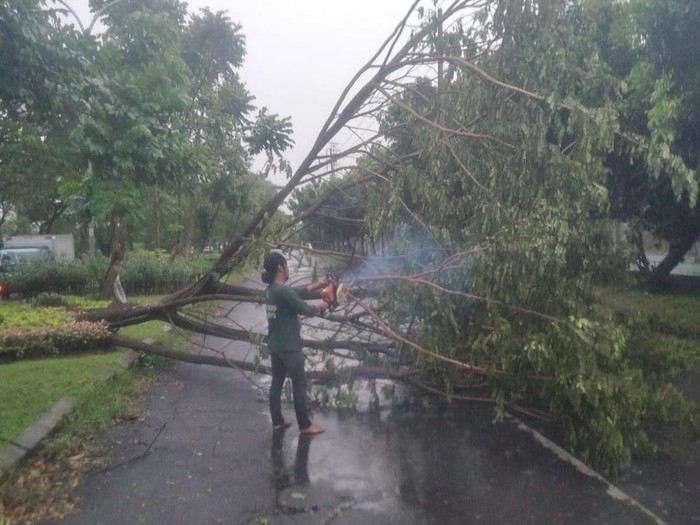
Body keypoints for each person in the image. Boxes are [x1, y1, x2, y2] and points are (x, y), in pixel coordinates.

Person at [261, 251, 333, 435]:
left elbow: (297, 292)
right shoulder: (282, 291)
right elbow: (305, 308)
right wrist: (322, 305)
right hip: (290, 348)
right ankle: (305, 425)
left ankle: (277, 421)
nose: (287, 269)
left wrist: (320, 284)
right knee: (299, 384)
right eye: (286, 265)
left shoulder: (271, 290)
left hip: (275, 346)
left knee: (277, 383)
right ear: (280, 267)